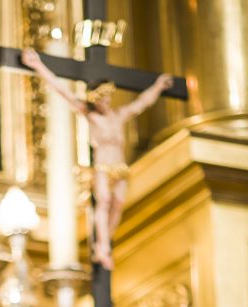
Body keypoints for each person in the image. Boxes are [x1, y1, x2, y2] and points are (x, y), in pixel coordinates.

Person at [21, 47, 173, 270]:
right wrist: (38, 66)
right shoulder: (90, 114)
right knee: (103, 203)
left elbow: (143, 102)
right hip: (102, 167)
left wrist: (158, 86)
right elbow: (61, 89)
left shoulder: (119, 116)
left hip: (119, 167)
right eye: (101, 98)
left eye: (108, 97)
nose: (106, 102)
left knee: (118, 204)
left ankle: (105, 243)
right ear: (95, 99)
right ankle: (102, 245)